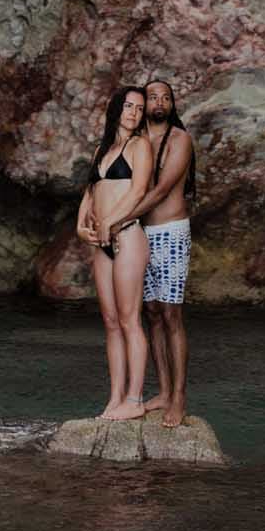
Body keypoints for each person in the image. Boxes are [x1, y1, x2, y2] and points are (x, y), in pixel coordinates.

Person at [74, 86, 154, 421]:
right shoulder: (102, 149)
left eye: (139, 108)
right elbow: (91, 192)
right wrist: (81, 225)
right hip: (101, 241)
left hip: (128, 235)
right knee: (110, 323)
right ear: (116, 109)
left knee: (129, 320)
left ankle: (135, 400)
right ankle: (115, 397)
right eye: (128, 106)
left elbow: (138, 191)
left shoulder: (141, 146)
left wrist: (111, 221)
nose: (134, 113)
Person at [133, 77, 194, 429]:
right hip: (142, 234)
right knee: (152, 312)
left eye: (165, 97)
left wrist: (120, 218)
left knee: (171, 315)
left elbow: (159, 193)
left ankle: (180, 398)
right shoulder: (138, 141)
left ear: (172, 104)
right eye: (152, 97)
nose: (159, 102)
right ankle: (164, 391)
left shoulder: (180, 139)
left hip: (170, 232)